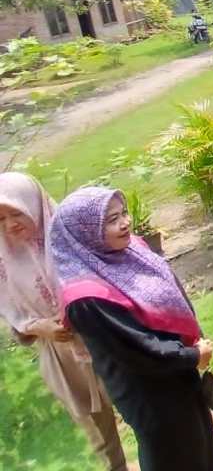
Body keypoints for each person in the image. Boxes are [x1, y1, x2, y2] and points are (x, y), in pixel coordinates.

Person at [49, 186, 213, 471]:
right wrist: (193, 356)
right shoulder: (85, 297)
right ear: (84, 232)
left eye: (124, 213)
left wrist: (189, 350)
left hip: (175, 367)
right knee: (172, 451)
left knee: (197, 432)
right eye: (111, 220)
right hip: (149, 390)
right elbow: (137, 350)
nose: (125, 223)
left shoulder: (130, 250)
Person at [0, 173, 127, 471]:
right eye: (0, 218)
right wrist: (38, 327)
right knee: (100, 438)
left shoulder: (71, 237)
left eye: (16, 212)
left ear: (34, 204)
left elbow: (112, 276)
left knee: (146, 410)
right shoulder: (3, 258)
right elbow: (11, 311)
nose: (9, 224)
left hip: (105, 338)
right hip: (62, 357)